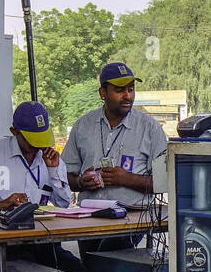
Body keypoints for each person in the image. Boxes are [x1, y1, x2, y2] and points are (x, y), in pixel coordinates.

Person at [0, 100, 84, 272]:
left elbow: (63, 204)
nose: (38, 147)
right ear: (14, 131)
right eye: (32, 140)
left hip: (39, 240)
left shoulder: (51, 159)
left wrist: (54, 171)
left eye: (41, 139)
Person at [62, 61, 168, 253]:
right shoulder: (83, 125)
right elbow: (65, 177)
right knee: (90, 264)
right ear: (103, 93)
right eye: (120, 90)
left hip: (132, 215)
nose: (127, 95)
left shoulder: (149, 127)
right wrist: (81, 182)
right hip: (89, 215)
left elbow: (165, 182)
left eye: (131, 89)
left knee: (107, 256)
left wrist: (126, 179)